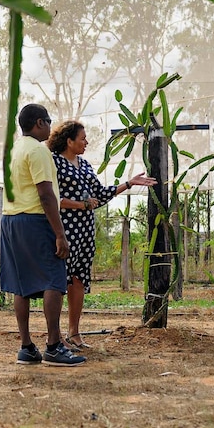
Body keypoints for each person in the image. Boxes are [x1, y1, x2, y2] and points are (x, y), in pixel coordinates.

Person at [47, 120, 157, 349]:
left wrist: (128, 184)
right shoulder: (53, 163)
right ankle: (55, 338)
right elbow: (50, 199)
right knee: (59, 281)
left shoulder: (85, 165)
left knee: (78, 279)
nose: (86, 142)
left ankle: (74, 333)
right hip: (65, 229)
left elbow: (98, 194)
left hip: (85, 231)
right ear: (69, 141)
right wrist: (80, 205)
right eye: (82, 138)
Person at [0, 104, 86, 367]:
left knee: (21, 284)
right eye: (48, 121)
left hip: (11, 220)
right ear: (39, 123)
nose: (50, 127)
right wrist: (60, 234)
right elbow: (46, 194)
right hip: (35, 220)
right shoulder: (39, 151)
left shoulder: (14, 149)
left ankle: (26, 347)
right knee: (54, 281)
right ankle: (53, 346)